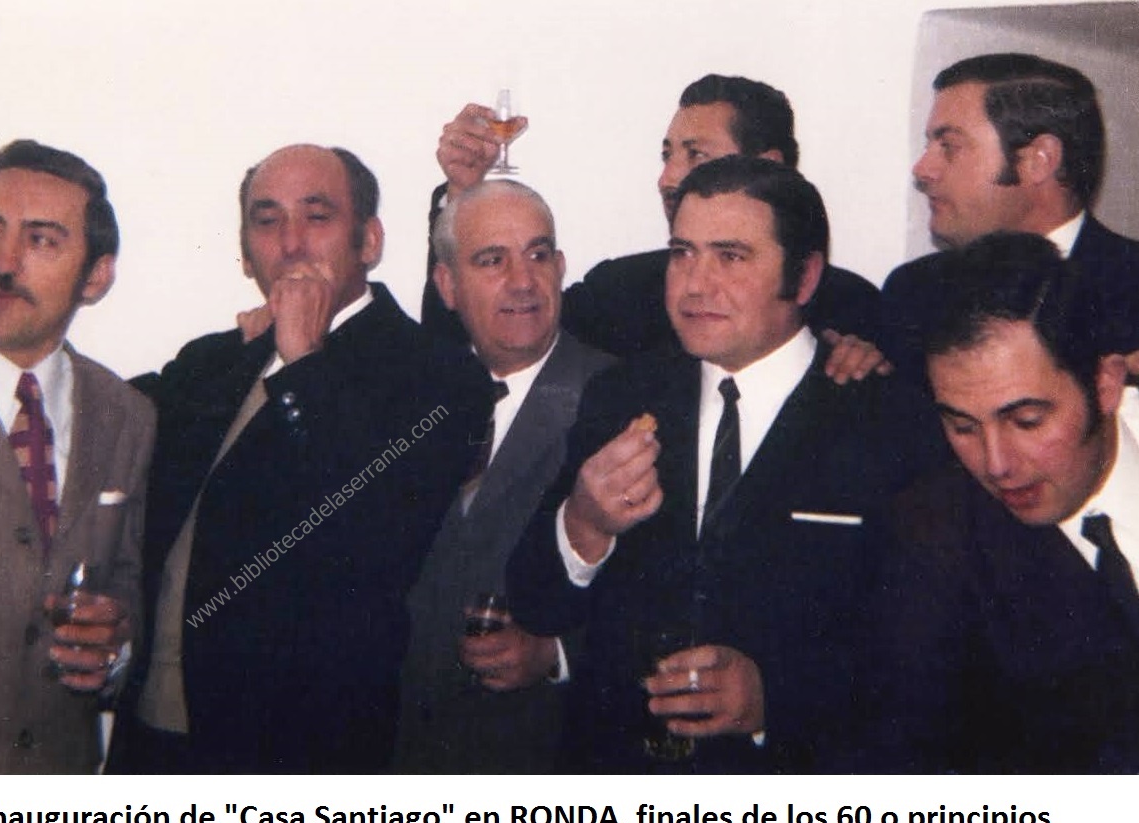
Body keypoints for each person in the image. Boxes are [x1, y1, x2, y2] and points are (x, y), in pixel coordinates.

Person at [506, 156, 943, 774]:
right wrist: (583, 524)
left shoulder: (889, 421)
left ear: (805, 277)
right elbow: (536, 605)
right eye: (682, 253)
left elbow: (926, 652)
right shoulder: (623, 394)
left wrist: (776, 699)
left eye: (731, 257)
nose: (694, 284)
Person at [109, 144, 490, 774]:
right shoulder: (211, 361)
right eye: (267, 221)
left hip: (298, 759)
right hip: (153, 742)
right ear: (245, 252)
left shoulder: (438, 375)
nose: (290, 243)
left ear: (370, 240)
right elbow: (104, 420)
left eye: (317, 216)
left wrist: (304, 364)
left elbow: (373, 540)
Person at [861, 232, 1139, 773]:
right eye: (962, 426)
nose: (995, 464)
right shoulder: (931, 539)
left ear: (1106, 384)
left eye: (1026, 421)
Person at [423, 75, 886, 382]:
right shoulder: (619, 291)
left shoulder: (849, 306)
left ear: (768, 166)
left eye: (696, 155)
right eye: (667, 155)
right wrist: (463, 195)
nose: (668, 178)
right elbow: (479, 343)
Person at [392, 180, 613, 773]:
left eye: (538, 255)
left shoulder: (619, 398)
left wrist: (557, 653)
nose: (522, 281)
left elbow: (665, 590)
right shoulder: (412, 397)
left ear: (561, 268)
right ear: (447, 286)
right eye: (492, 260)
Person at [0, 139, 154, 773]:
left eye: (42, 240)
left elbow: (124, 583)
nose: (1, 262)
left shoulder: (126, 415)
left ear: (96, 276)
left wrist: (114, 647)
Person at [880, 53, 1139, 377]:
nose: (922, 169)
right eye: (929, 145)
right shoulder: (912, 291)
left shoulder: (1130, 286)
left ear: (1039, 160)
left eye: (949, 146)